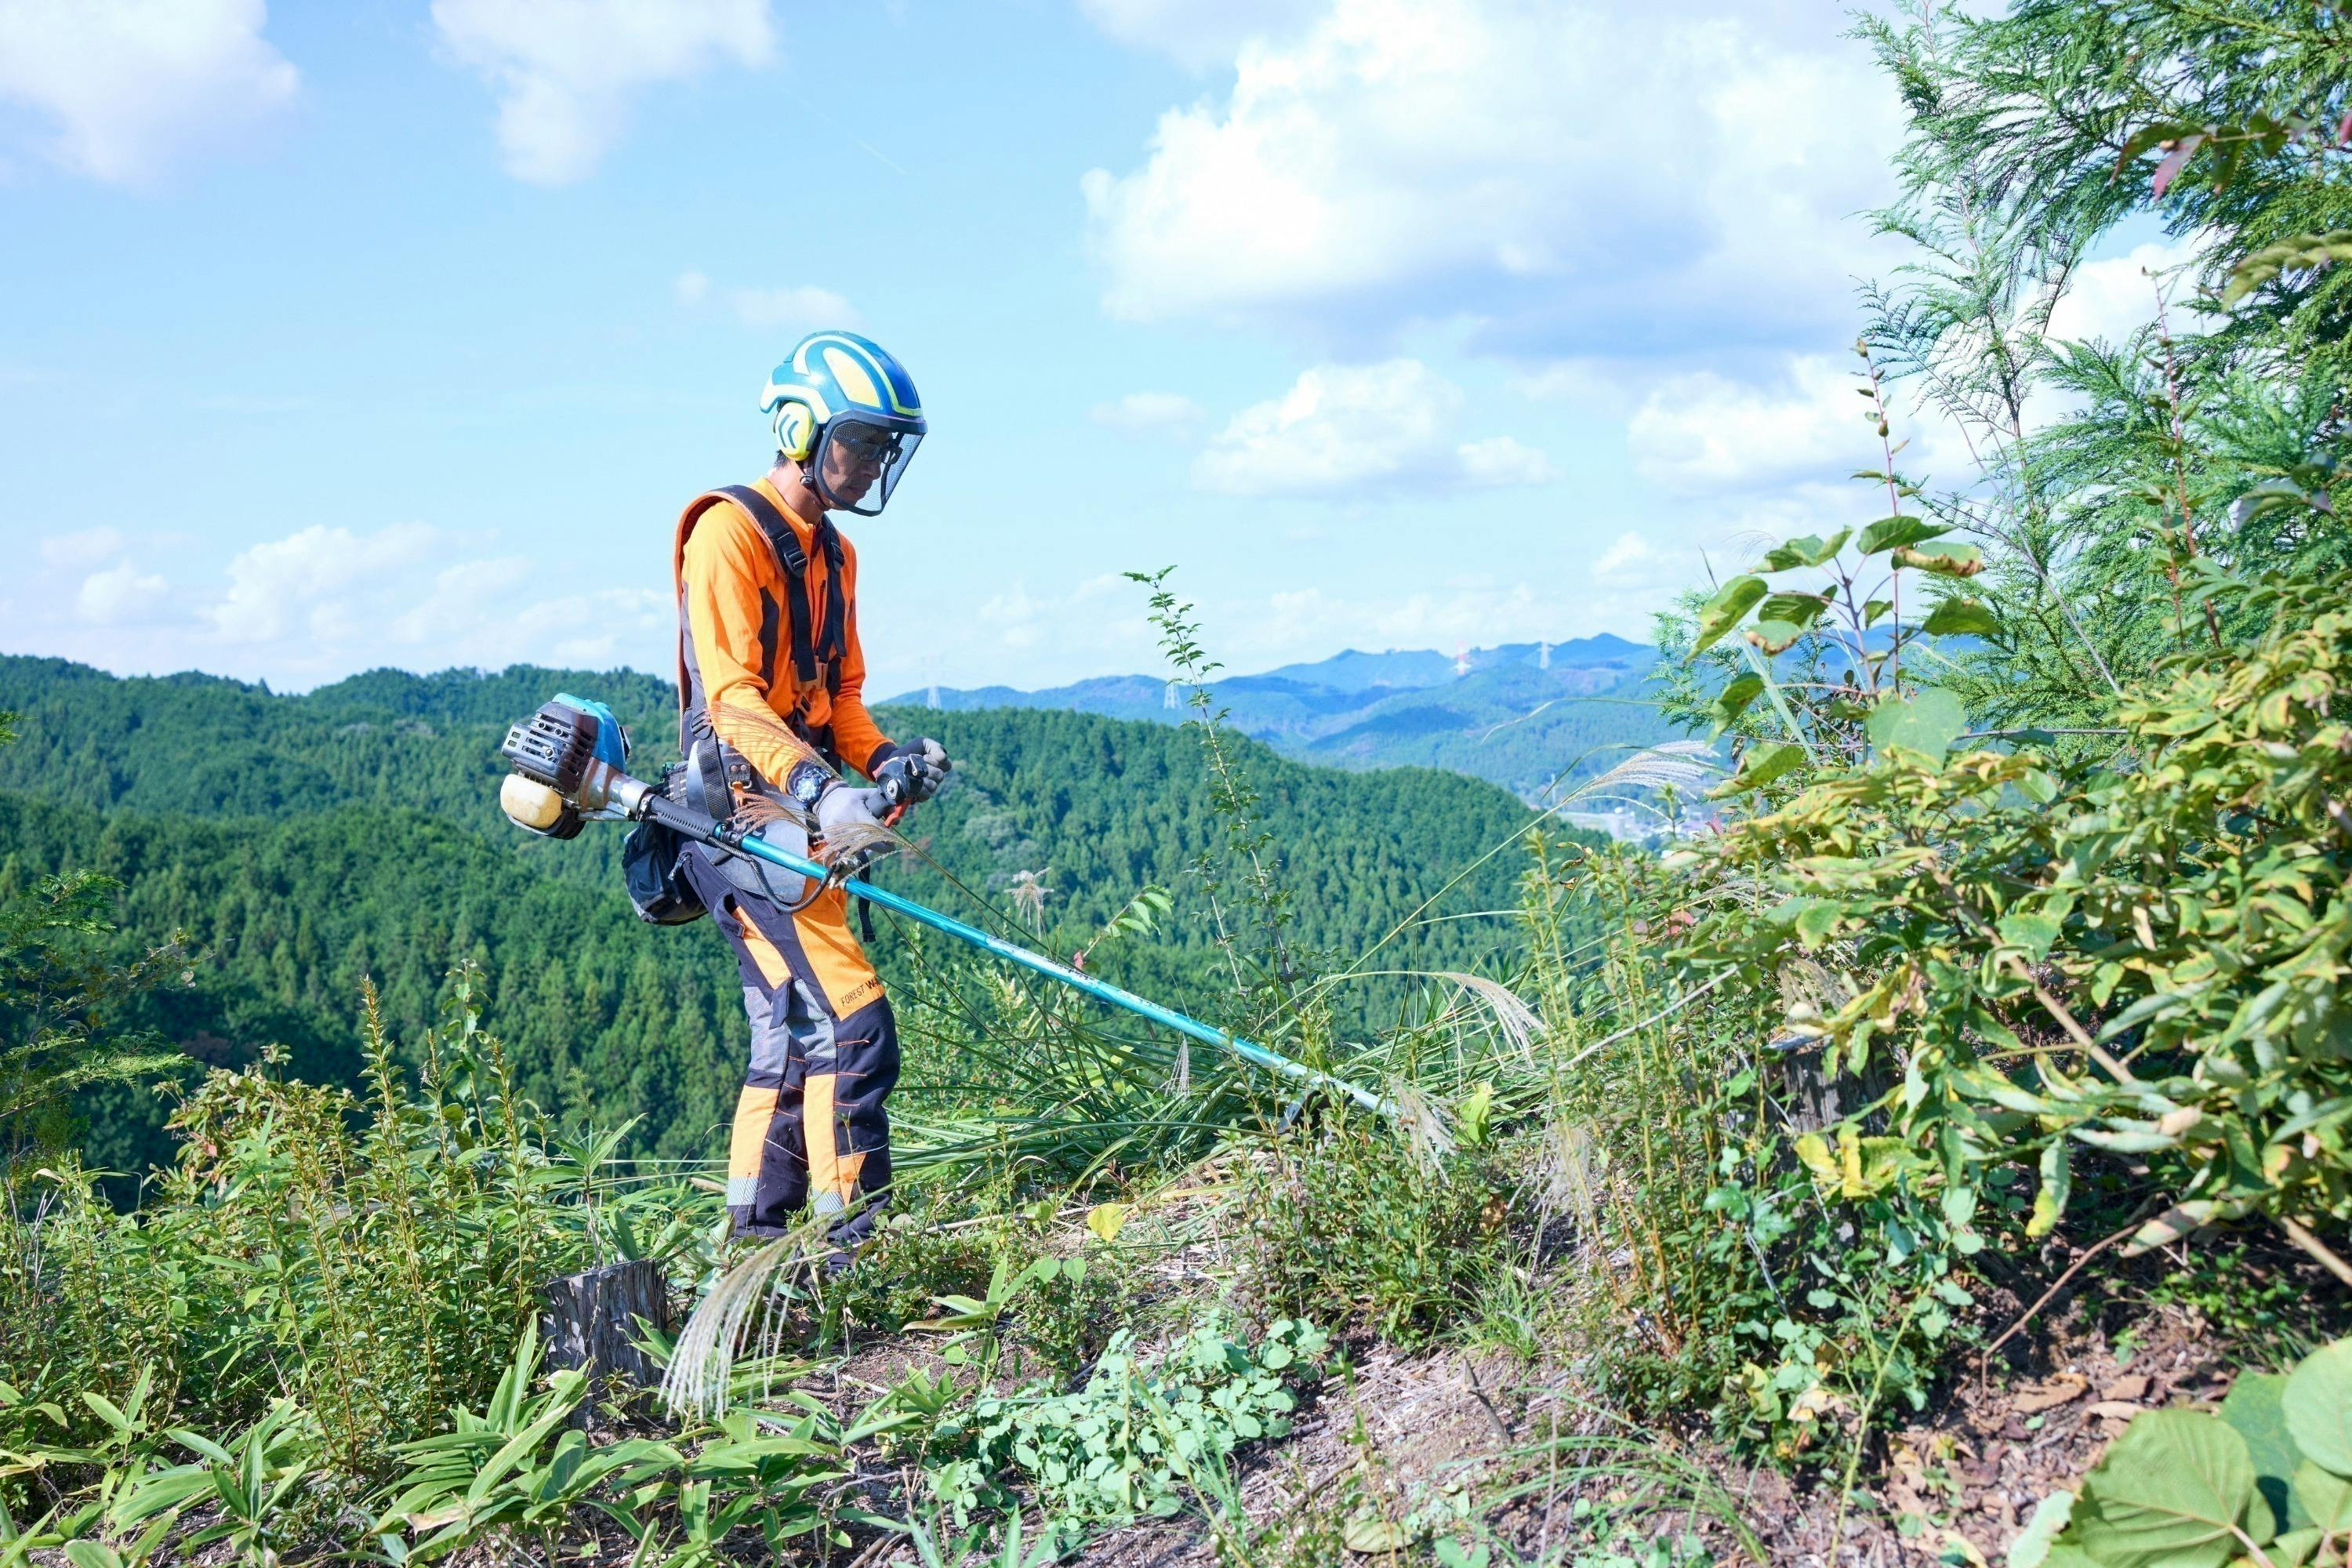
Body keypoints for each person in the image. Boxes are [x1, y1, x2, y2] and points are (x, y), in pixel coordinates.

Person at [667, 329, 950, 1260]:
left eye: (884, 448)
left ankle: (757, 1245)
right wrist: (818, 788)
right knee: (853, 1017)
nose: (871, 464)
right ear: (800, 428)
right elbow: (734, 700)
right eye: (861, 441)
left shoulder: (835, 553)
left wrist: (886, 762)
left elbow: (844, 699)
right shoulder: (728, 534)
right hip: (737, 817)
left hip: (798, 813)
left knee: (790, 1033)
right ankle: (855, 1247)